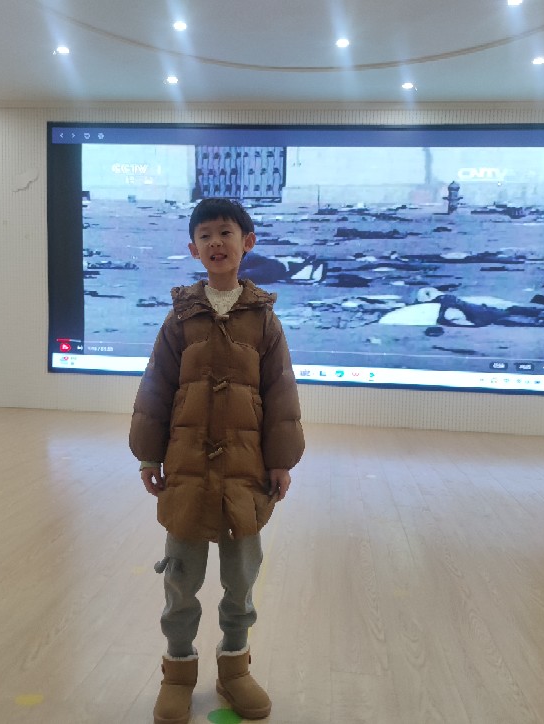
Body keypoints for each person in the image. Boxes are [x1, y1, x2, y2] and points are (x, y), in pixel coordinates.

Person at [129, 198, 305, 724]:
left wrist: (280, 461)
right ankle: (178, 671)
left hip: (245, 475)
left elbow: (281, 394)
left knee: (241, 581)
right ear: (193, 249)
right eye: (204, 235)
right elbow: (156, 387)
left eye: (225, 232)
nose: (215, 243)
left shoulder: (264, 319)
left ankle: (235, 668)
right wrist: (149, 454)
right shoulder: (180, 317)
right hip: (185, 472)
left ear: (247, 243)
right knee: (181, 580)